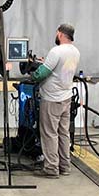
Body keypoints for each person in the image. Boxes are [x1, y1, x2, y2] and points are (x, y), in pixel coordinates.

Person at [31, 24, 80, 178]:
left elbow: (41, 74)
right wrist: (48, 63)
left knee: (49, 133)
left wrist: (34, 74)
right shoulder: (75, 52)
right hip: (66, 97)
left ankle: (51, 168)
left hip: (52, 99)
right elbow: (62, 72)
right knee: (63, 133)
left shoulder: (56, 51)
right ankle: (65, 166)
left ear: (60, 34)